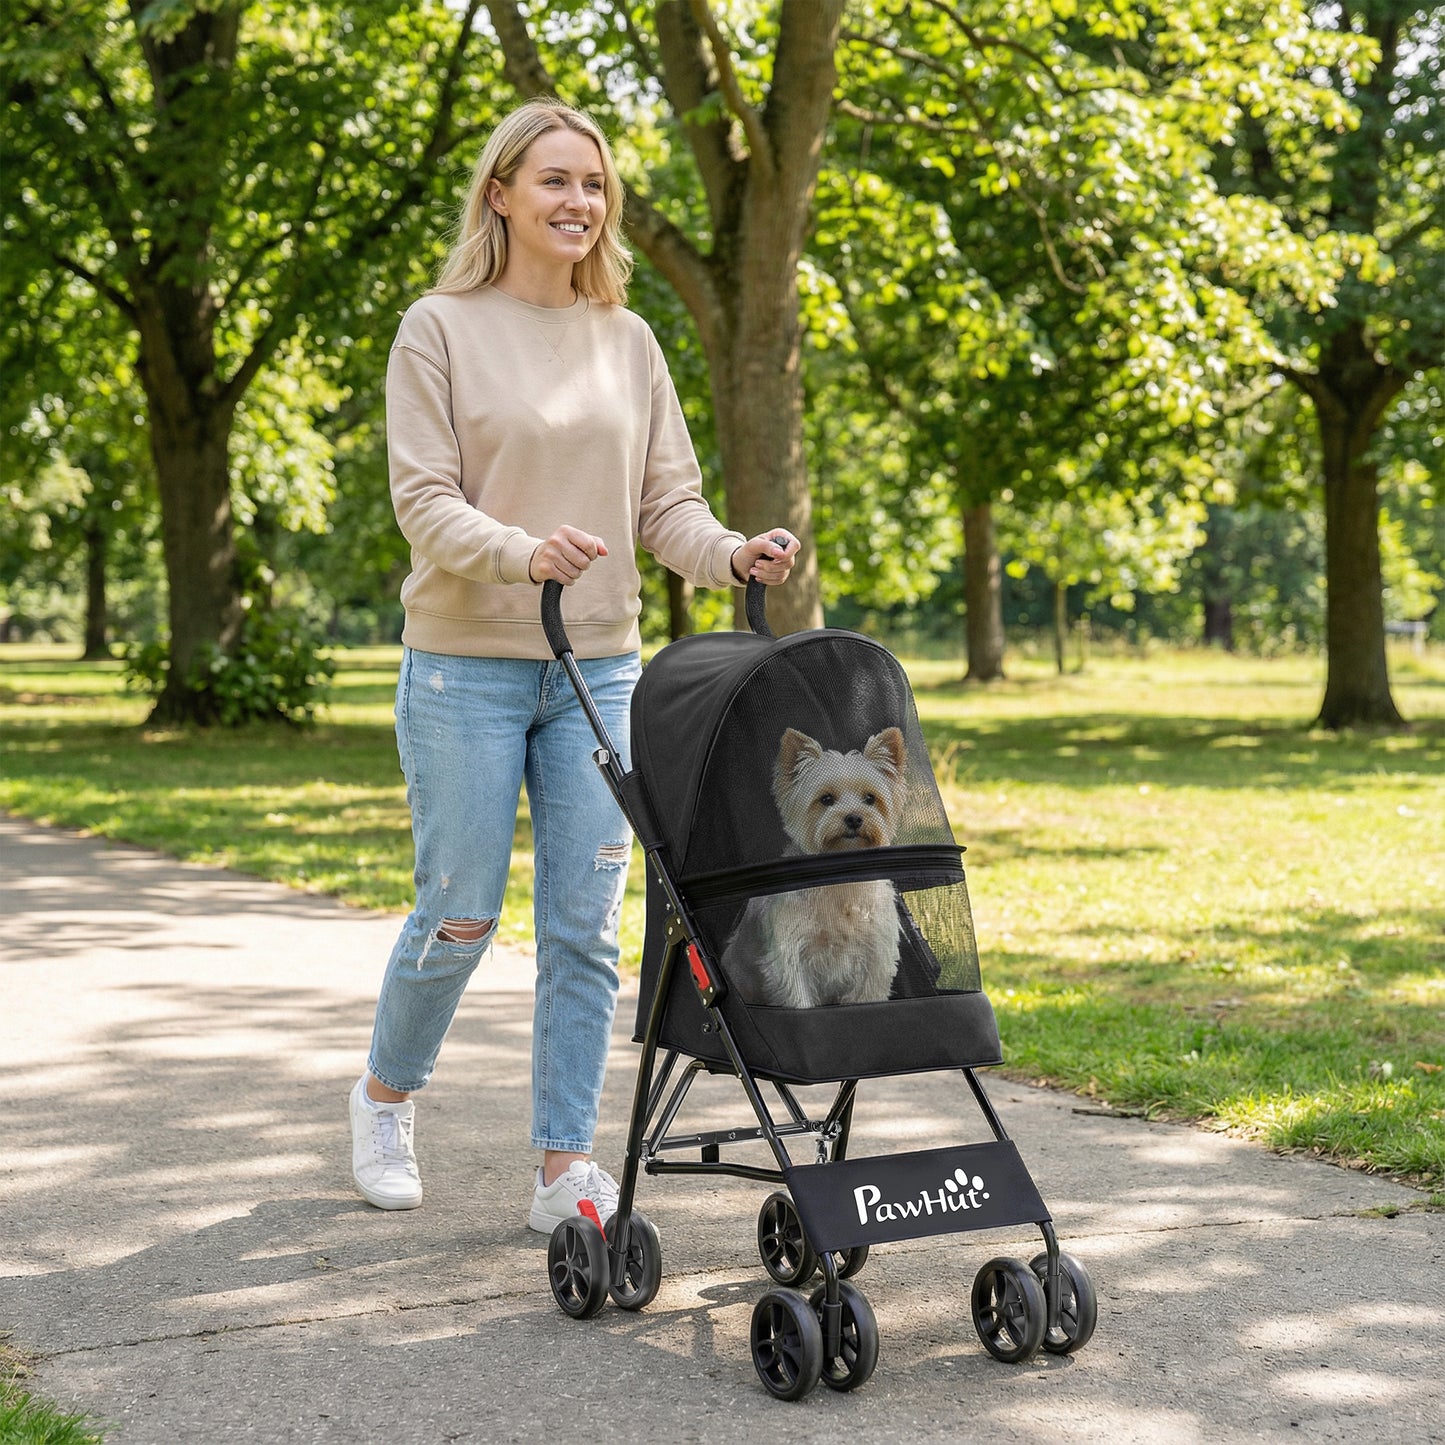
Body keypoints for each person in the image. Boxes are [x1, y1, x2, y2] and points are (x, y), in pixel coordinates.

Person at [349, 97, 798, 1231]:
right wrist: (520, 551)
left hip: (598, 668)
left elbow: (666, 507)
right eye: (554, 181)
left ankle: (562, 1168)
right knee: (457, 911)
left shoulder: (628, 339)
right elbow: (423, 504)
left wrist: (730, 551)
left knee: (586, 925)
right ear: (499, 192)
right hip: (465, 664)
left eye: (593, 186)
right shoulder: (436, 326)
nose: (578, 204)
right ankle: (386, 1094)